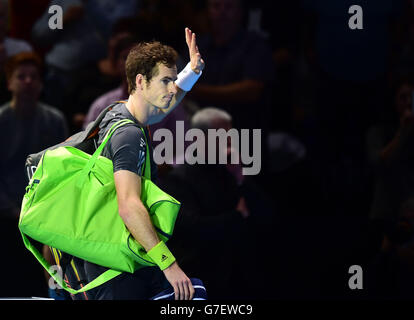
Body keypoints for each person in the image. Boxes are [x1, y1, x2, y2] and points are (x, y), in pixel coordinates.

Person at [60, 28, 205, 300]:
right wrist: (169, 265)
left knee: (195, 293)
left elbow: (163, 106)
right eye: (165, 81)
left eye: (173, 80)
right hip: (114, 270)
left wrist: (192, 72)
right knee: (192, 295)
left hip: (116, 256)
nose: (171, 88)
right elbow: (129, 206)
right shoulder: (128, 134)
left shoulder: (118, 111)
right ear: (140, 81)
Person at [0, 51, 68, 298]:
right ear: (9, 83)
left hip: (45, 213)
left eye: (33, 77)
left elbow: (63, 171)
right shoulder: (1, 121)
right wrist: (14, 211)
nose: (28, 81)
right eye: (21, 76)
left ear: (40, 83)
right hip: (7, 215)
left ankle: (56, 293)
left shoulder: (55, 120)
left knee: (57, 250)